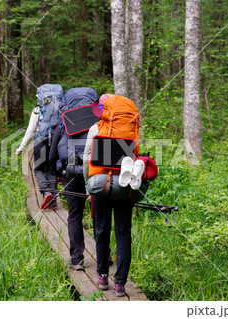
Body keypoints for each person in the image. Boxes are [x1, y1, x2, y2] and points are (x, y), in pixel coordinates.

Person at [83, 95, 141, 297]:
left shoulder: (95, 129)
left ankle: (102, 276)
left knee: (101, 230)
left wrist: (88, 186)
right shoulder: (131, 130)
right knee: (123, 233)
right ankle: (121, 283)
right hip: (125, 187)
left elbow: (85, 160)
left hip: (100, 185)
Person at [49, 87, 99, 271]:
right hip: (96, 172)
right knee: (99, 215)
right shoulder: (100, 120)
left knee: (75, 215)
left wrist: (57, 174)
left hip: (72, 172)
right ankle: (104, 256)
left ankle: (77, 259)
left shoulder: (64, 122)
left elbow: (53, 154)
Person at [16, 84, 63, 209]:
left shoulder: (38, 108)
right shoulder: (61, 107)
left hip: (41, 140)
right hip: (56, 141)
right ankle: (52, 203)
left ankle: (45, 191)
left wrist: (21, 147)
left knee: (39, 169)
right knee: (52, 171)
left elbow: (31, 130)